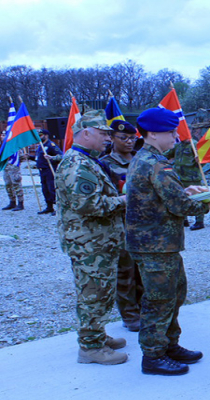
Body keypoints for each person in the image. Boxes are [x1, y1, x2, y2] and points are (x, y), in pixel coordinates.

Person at [126, 108, 210, 376]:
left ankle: (169, 345)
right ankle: (153, 356)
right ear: (152, 133)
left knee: (174, 293)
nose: (175, 136)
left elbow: (162, 196)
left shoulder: (146, 159)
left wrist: (185, 191)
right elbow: (179, 205)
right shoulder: (156, 163)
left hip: (157, 243)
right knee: (159, 299)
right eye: (170, 132)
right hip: (155, 245)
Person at [54, 110, 128, 365]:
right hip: (89, 243)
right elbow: (89, 205)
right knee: (93, 293)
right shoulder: (77, 164)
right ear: (86, 133)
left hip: (98, 241)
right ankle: (90, 347)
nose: (107, 138)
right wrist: (122, 201)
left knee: (103, 291)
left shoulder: (87, 160)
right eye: (103, 133)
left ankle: (98, 333)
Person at [100, 120, 143, 332]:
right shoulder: (104, 163)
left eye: (132, 138)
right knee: (125, 271)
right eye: (123, 138)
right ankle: (130, 314)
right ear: (112, 139)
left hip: (144, 222)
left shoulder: (139, 160)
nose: (128, 141)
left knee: (143, 269)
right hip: (121, 222)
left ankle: (144, 308)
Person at [167, 138, 207, 230]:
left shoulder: (194, 145)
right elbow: (167, 155)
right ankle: (184, 219)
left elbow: (202, 160)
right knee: (182, 197)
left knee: (198, 198)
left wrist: (199, 160)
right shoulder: (178, 145)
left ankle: (199, 221)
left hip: (192, 176)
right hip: (179, 177)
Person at [35, 129, 62, 215]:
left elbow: (61, 156)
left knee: (52, 189)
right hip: (42, 170)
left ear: (46, 135)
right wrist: (29, 157)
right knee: (45, 189)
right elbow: (39, 158)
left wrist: (52, 157)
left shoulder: (51, 145)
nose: (39, 137)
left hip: (49, 170)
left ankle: (58, 208)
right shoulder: (41, 145)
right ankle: (49, 207)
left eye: (41, 135)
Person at [1, 130, 25, 211]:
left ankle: (20, 203)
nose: (2, 136)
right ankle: (12, 202)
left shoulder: (14, 146)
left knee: (16, 184)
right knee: (8, 185)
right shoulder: (3, 146)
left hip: (14, 168)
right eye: (2, 135)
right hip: (6, 168)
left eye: (5, 135)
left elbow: (22, 157)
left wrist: (16, 165)